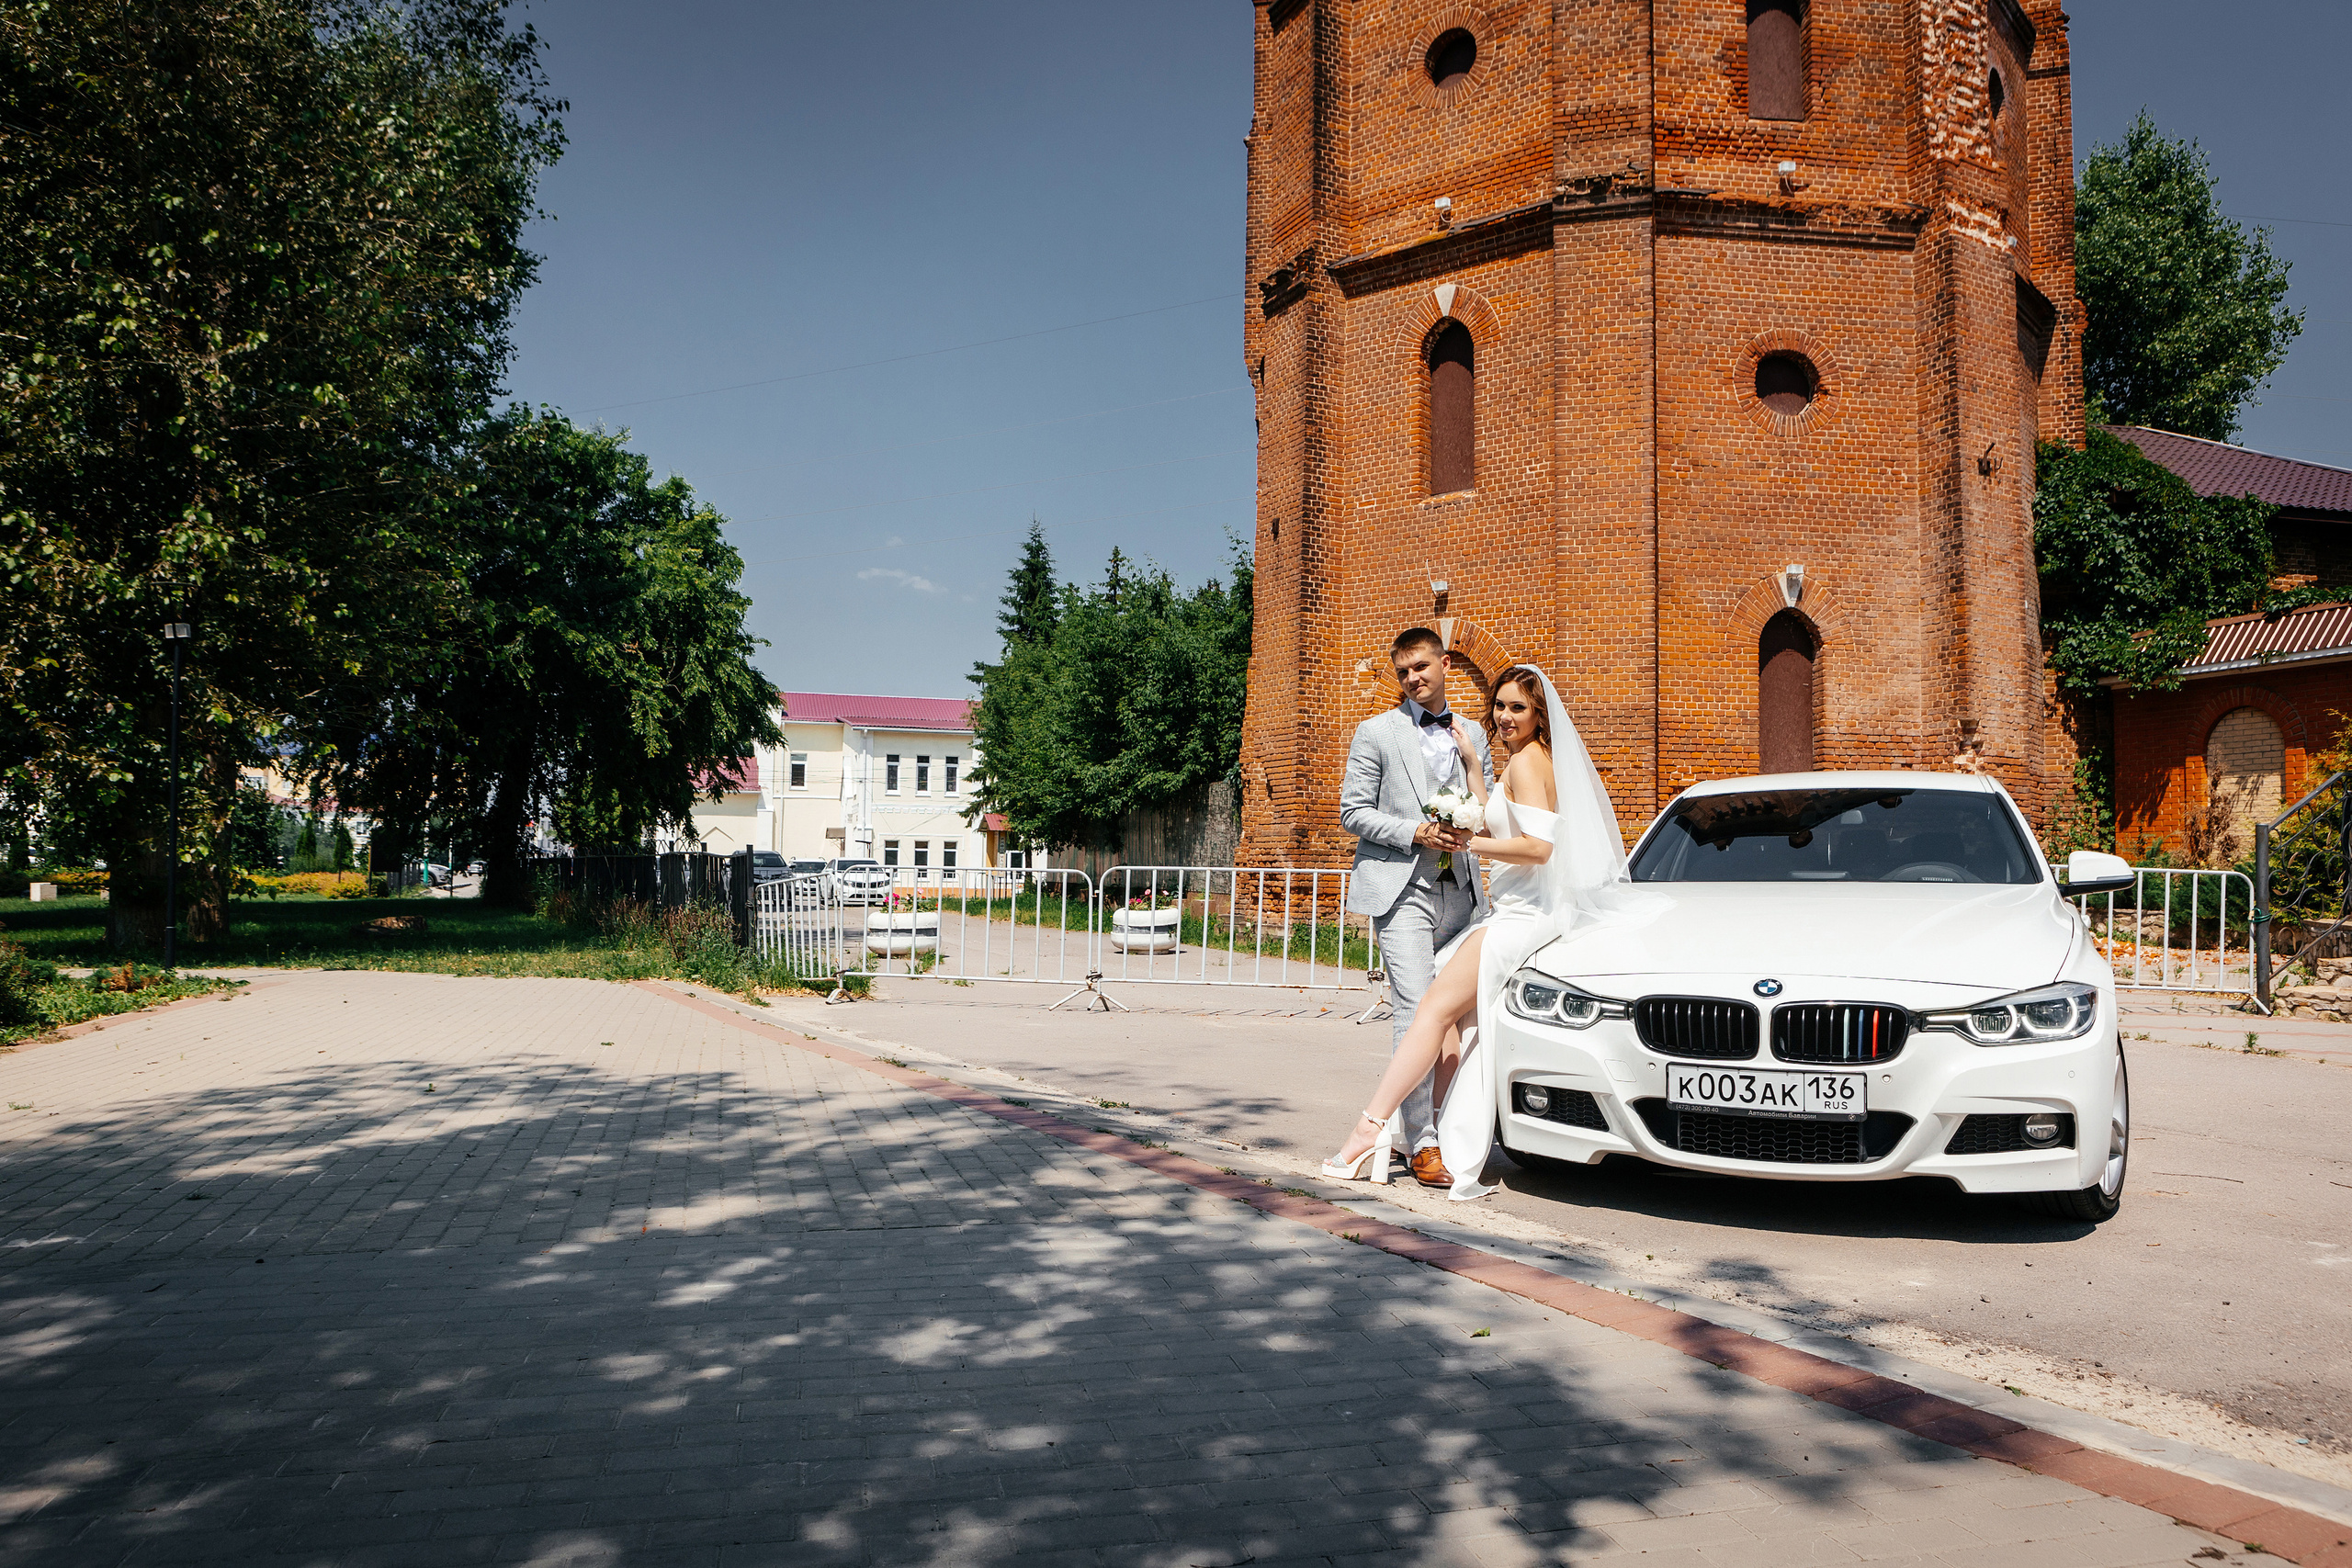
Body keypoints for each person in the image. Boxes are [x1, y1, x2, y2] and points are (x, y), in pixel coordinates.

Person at [1325, 663, 1638, 1200]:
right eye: (1500, 706)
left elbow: (1540, 849)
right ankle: (1434, 1132)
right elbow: (1500, 816)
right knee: (1452, 1018)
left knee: (1431, 1011)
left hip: (1520, 917)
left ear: (1540, 714)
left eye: (1519, 707)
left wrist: (1468, 845)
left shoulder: (1531, 761)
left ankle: (1369, 1130)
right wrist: (1473, 763)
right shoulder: (1518, 760)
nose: (1506, 716)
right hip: (1512, 910)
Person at [1338, 627, 1493, 1188]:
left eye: (1422, 667)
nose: (1413, 679)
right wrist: (1417, 831)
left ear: (1445, 663)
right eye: (1404, 672)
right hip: (1402, 889)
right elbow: (1352, 812)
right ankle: (1421, 1143)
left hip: (1464, 893)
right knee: (1415, 1006)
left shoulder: (1474, 732)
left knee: (1459, 1017)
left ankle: (1440, 1126)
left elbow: (1487, 806)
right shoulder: (1375, 732)